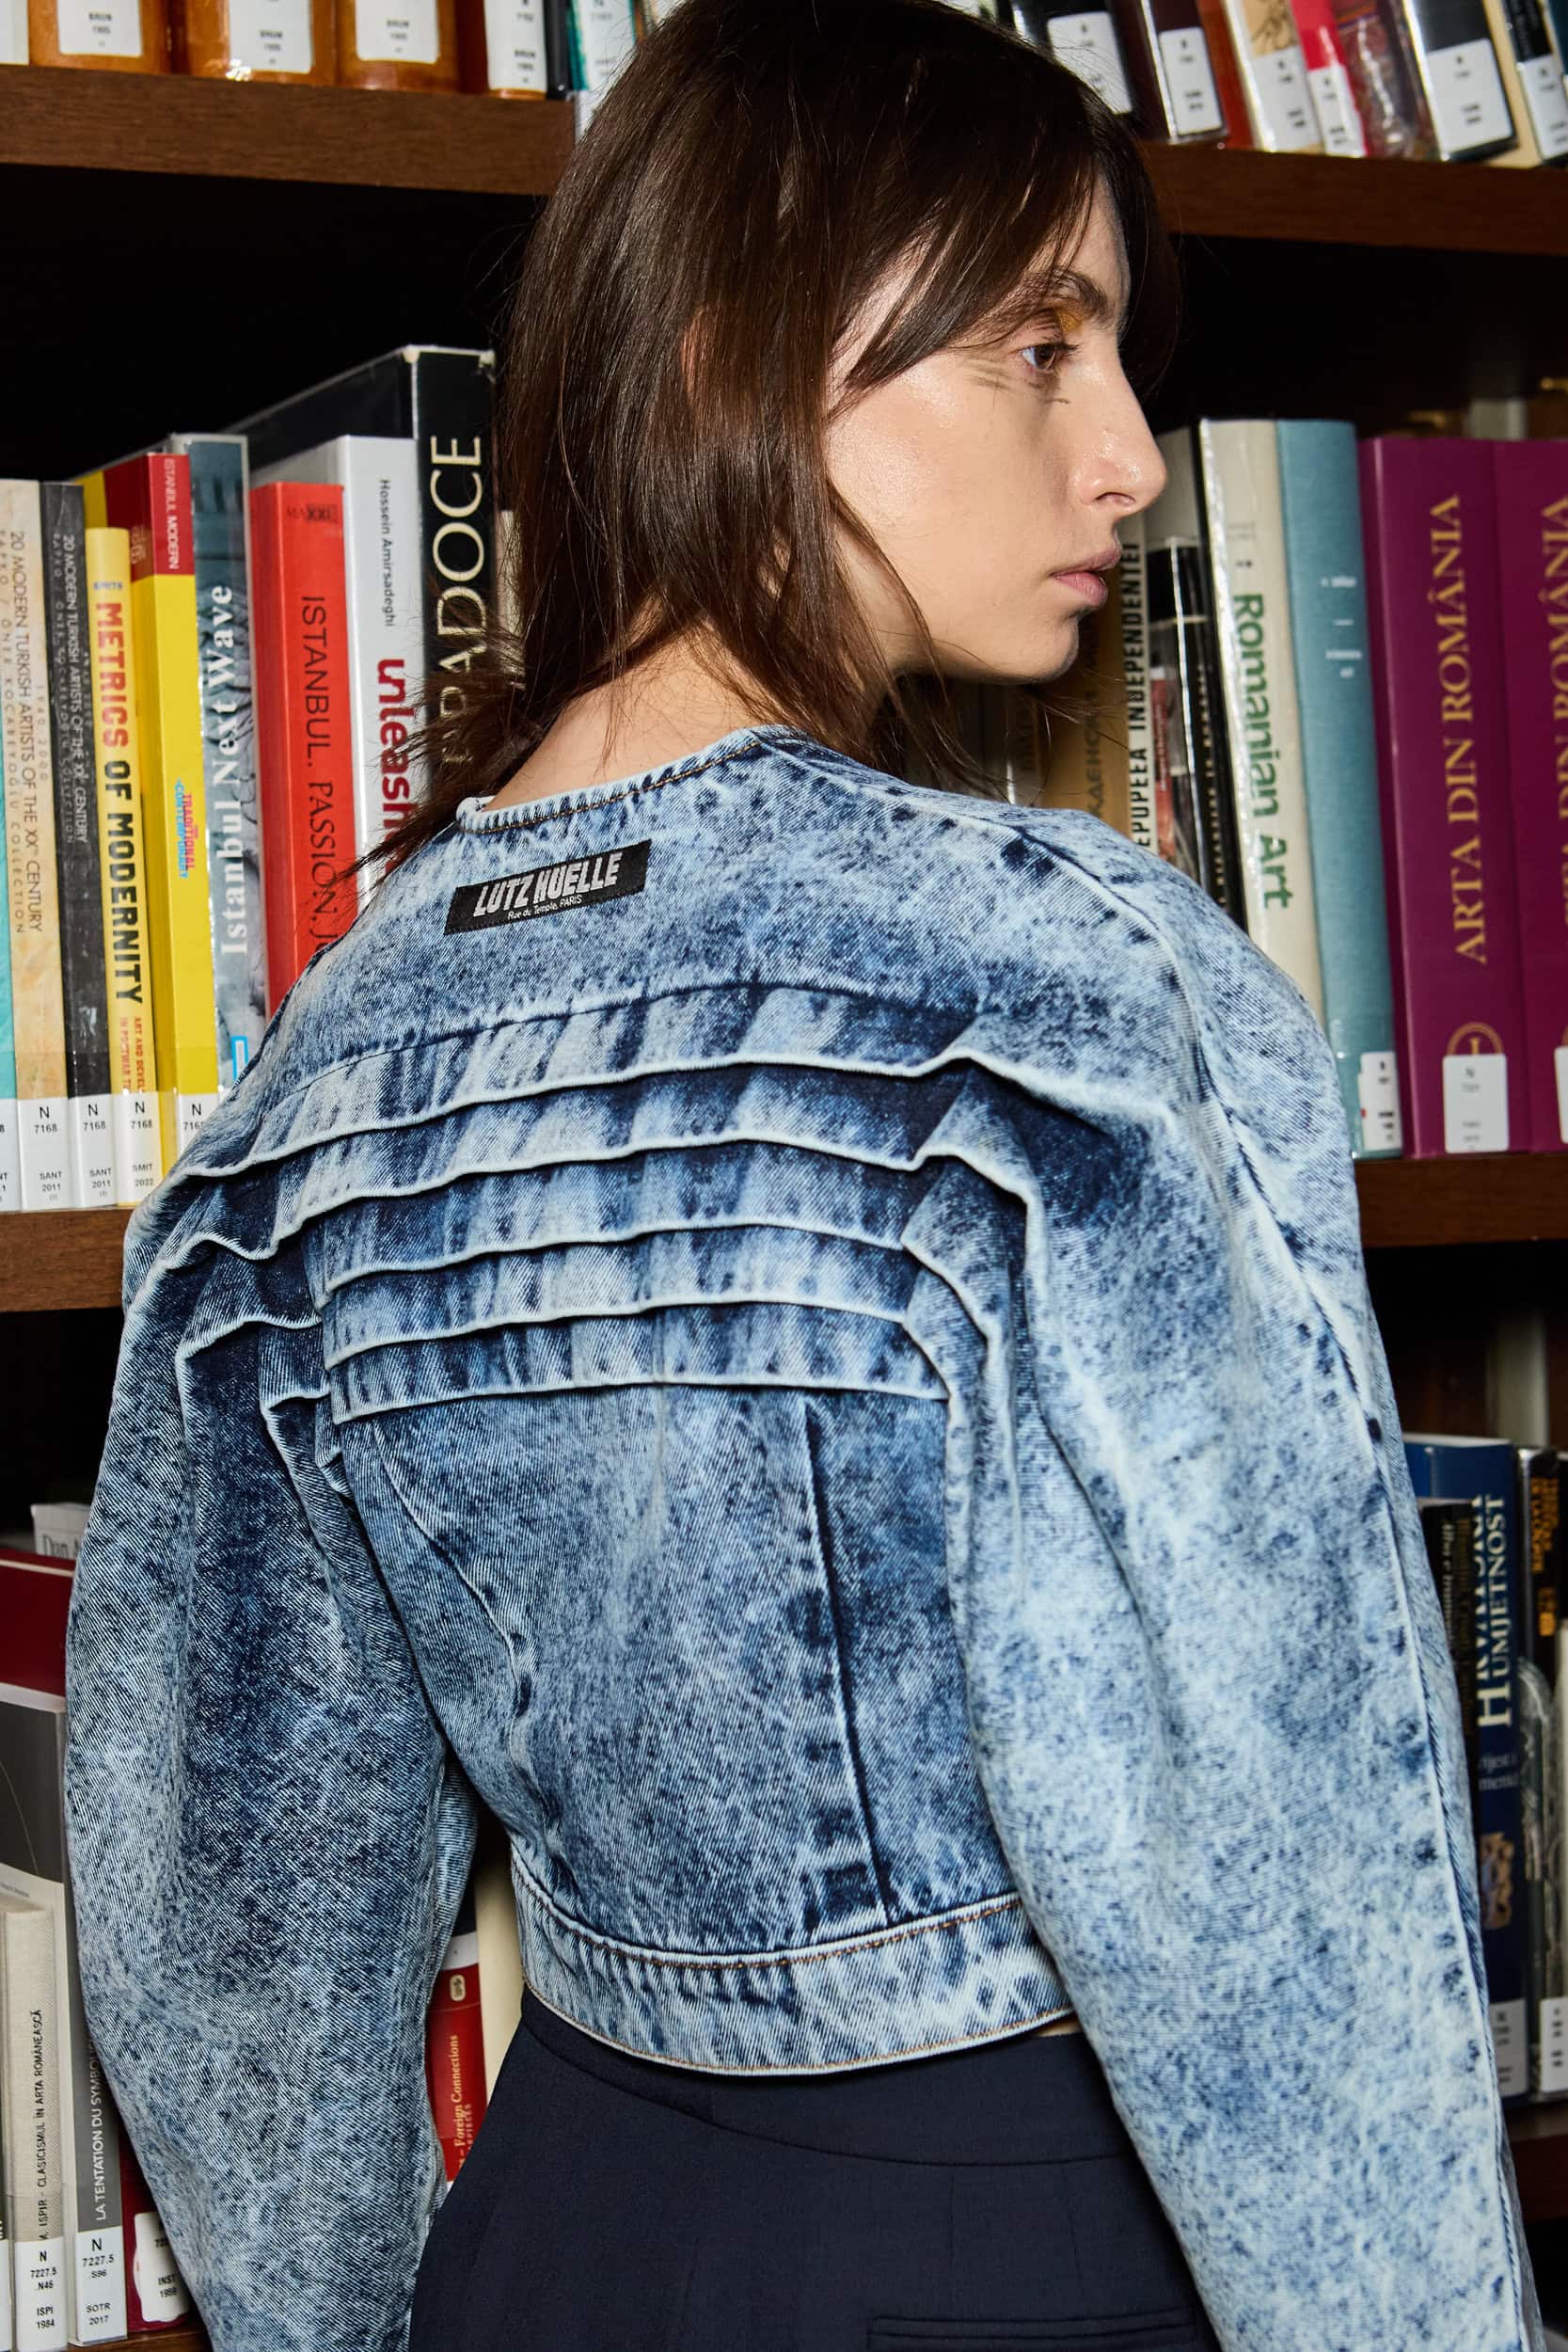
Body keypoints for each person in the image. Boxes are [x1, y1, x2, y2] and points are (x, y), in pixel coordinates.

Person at [62, 0, 1544, 2347]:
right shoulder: (1058, 985)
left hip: (564, 2232)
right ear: (738, 353)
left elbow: (230, 1929)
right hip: (1030, 2244)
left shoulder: (316, 1065)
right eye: (1039, 346)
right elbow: (1284, 1883)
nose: (1130, 456)